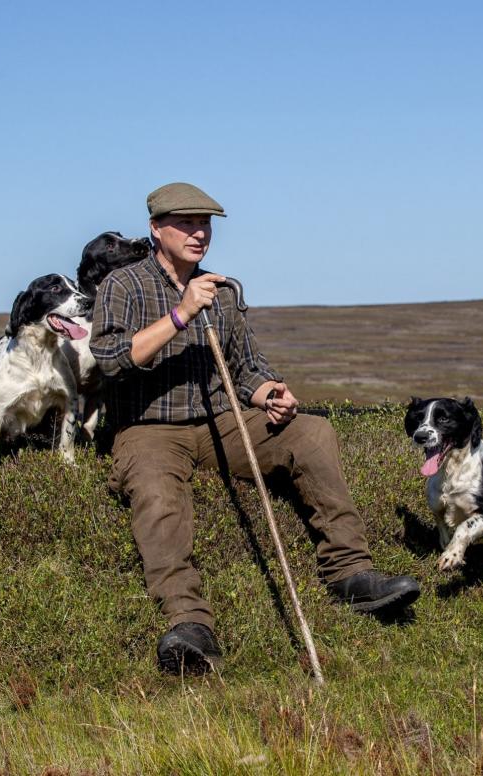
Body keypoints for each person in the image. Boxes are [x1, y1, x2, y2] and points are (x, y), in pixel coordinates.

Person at [89, 182, 421, 674]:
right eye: (186, 223)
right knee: (158, 496)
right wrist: (180, 314)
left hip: (221, 422)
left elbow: (246, 366)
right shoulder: (125, 286)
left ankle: (350, 574)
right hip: (148, 427)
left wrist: (270, 392)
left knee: (312, 433)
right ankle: (189, 624)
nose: (199, 233)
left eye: (205, 224)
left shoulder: (223, 291)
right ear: (155, 229)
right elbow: (113, 361)